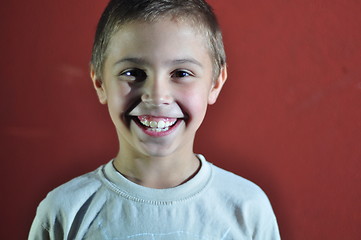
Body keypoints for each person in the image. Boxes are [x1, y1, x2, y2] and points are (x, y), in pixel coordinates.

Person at [29, 0, 281, 239]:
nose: (158, 96)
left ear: (215, 83)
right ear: (100, 83)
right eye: (133, 73)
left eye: (181, 73)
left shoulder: (248, 209)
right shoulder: (64, 212)